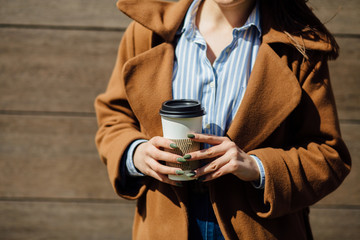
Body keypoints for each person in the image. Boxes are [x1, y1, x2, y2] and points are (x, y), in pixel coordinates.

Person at [94, 0, 351, 239]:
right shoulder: (146, 33)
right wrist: (137, 154)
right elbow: (114, 118)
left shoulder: (298, 46)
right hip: (163, 224)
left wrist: (256, 167)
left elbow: (328, 155)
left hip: (259, 227)